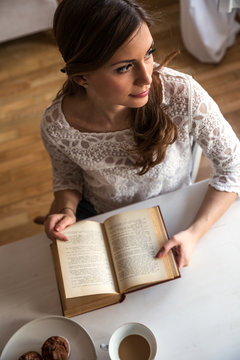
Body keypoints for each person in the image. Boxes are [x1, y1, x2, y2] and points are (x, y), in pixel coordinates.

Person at [36, 0, 240, 269]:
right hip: (100, 218)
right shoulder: (56, 124)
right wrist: (66, 210)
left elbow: (233, 168)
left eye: (148, 53)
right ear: (81, 77)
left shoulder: (182, 95)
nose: (146, 76)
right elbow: (68, 177)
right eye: (123, 67)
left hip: (171, 211)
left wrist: (193, 233)